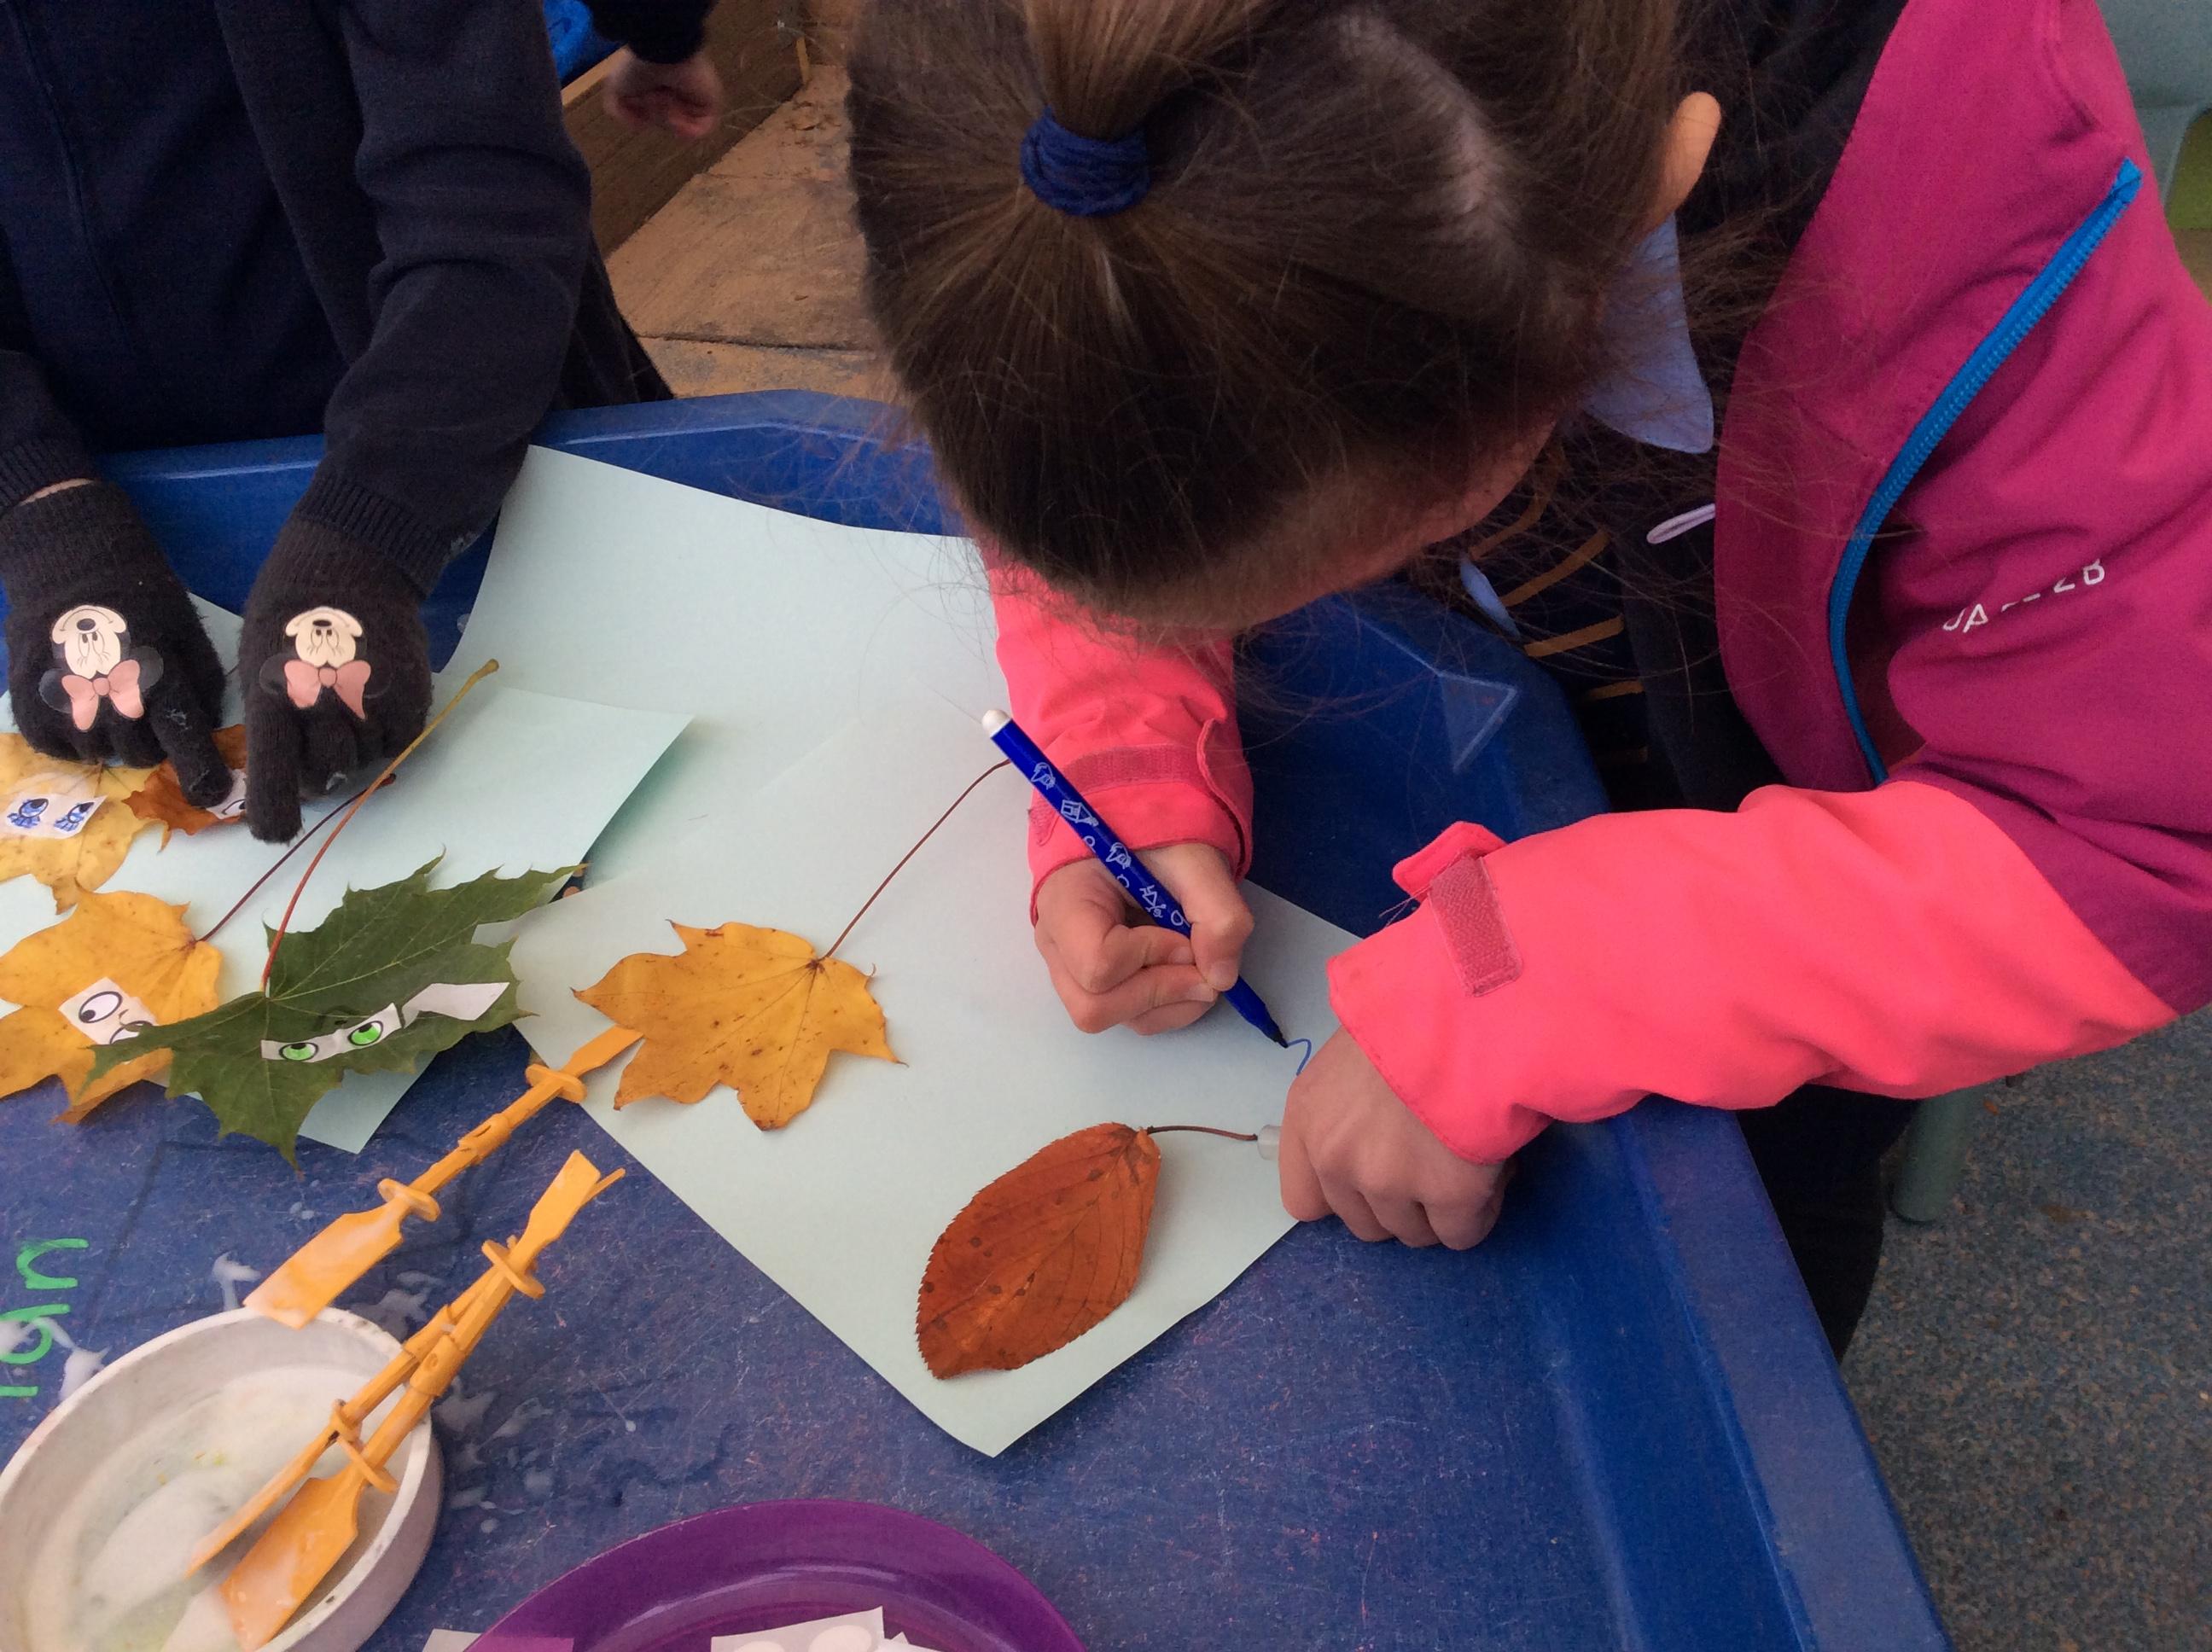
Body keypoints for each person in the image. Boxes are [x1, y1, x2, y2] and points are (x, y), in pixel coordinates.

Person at [844, 0, 2212, 1354]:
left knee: (1743, 1292)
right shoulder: (1070, 99)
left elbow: (2138, 837)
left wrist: (1515, 981)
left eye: (1354, 539)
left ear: (1648, 191)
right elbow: (1127, 368)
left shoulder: (1967, 190)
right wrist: (1126, 746)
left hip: (1795, 917)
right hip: (1430, 786)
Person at [0, 0, 722, 841]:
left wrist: (375, 523)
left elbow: (484, 191)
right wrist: (42, 506)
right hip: (109, 498)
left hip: (461, 437)